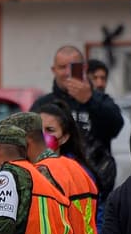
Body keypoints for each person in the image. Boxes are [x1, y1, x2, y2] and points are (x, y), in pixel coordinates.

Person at [32, 45, 124, 201]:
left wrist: (90, 99)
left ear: (84, 68)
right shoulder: (43, 105)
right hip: (52, 183)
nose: (67, 72)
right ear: (53, 70)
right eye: (62, 67)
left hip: (97, 186)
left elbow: (116, 126)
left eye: (72, 67)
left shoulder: (100, 99)